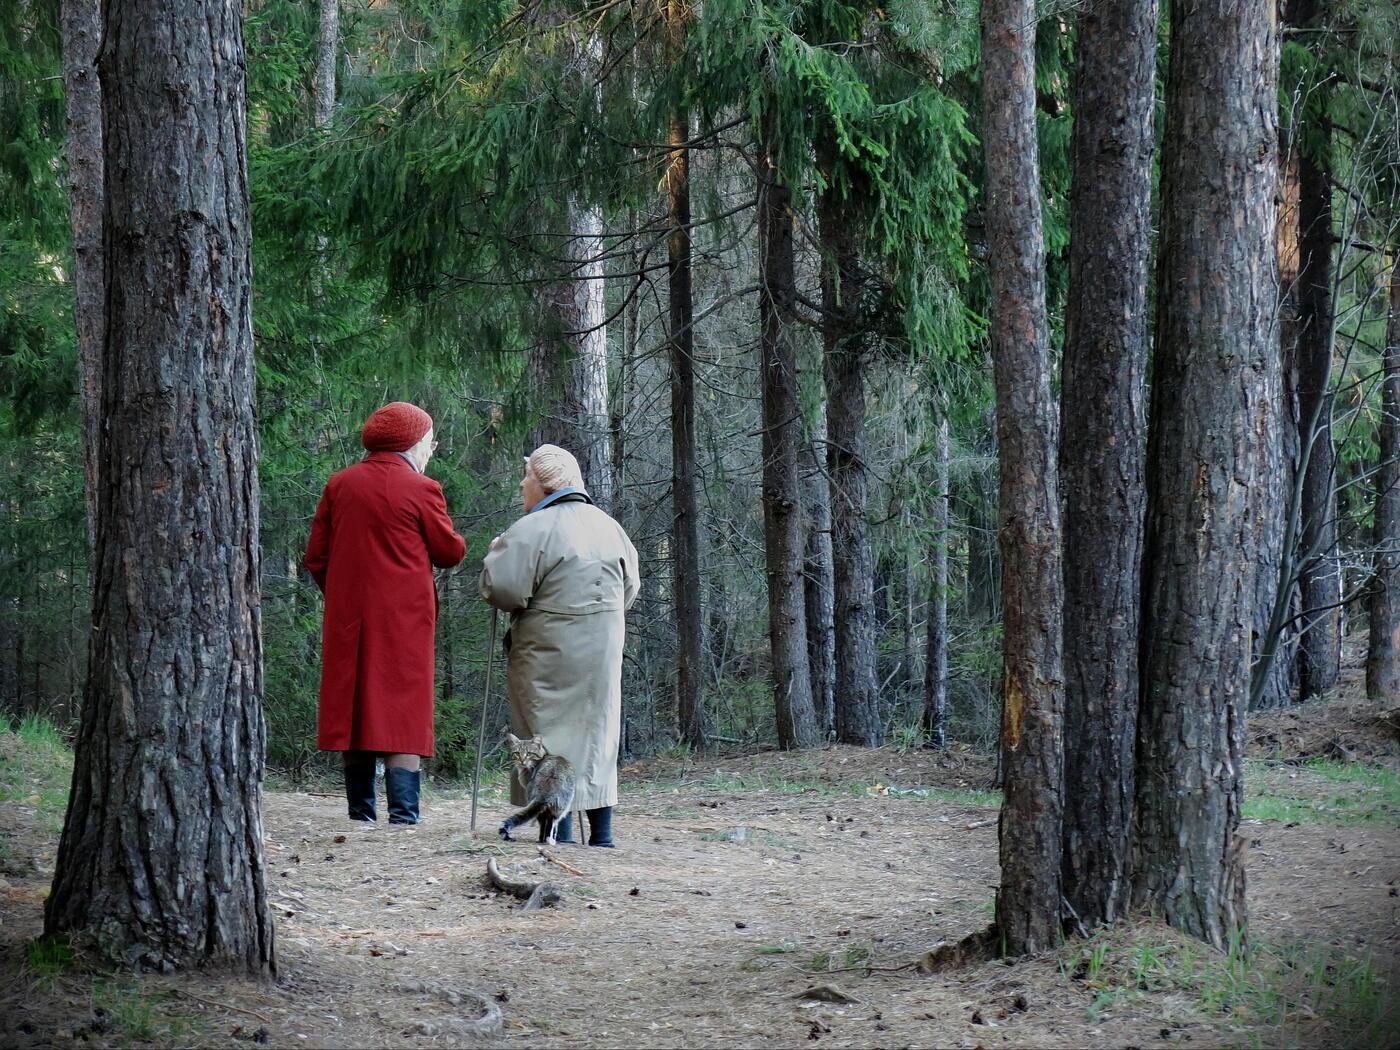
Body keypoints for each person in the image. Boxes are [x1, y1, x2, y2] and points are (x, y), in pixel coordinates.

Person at [304, 401, 466, 825]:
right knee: (403, 708)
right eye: (430, 440)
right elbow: (449, 553)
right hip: (404, 620)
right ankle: (403, 816)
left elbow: (316, 557)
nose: (432, 448)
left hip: (349, 619)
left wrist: (344, 594)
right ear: (412, 442)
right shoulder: (421, 489)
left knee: (356, 705)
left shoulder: (340, 485)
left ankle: (361, 813)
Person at [480, 444, 639, 846]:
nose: (522, 484)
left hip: (546, 649)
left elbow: (503, 591)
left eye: (527, 477)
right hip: (601, 650)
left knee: (546, 735)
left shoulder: (533, 529)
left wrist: (494, 556)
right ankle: (602, 834)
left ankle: (559, 831)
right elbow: (630, 588)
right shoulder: (610, 526)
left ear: (545, 483)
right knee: (599, 734)